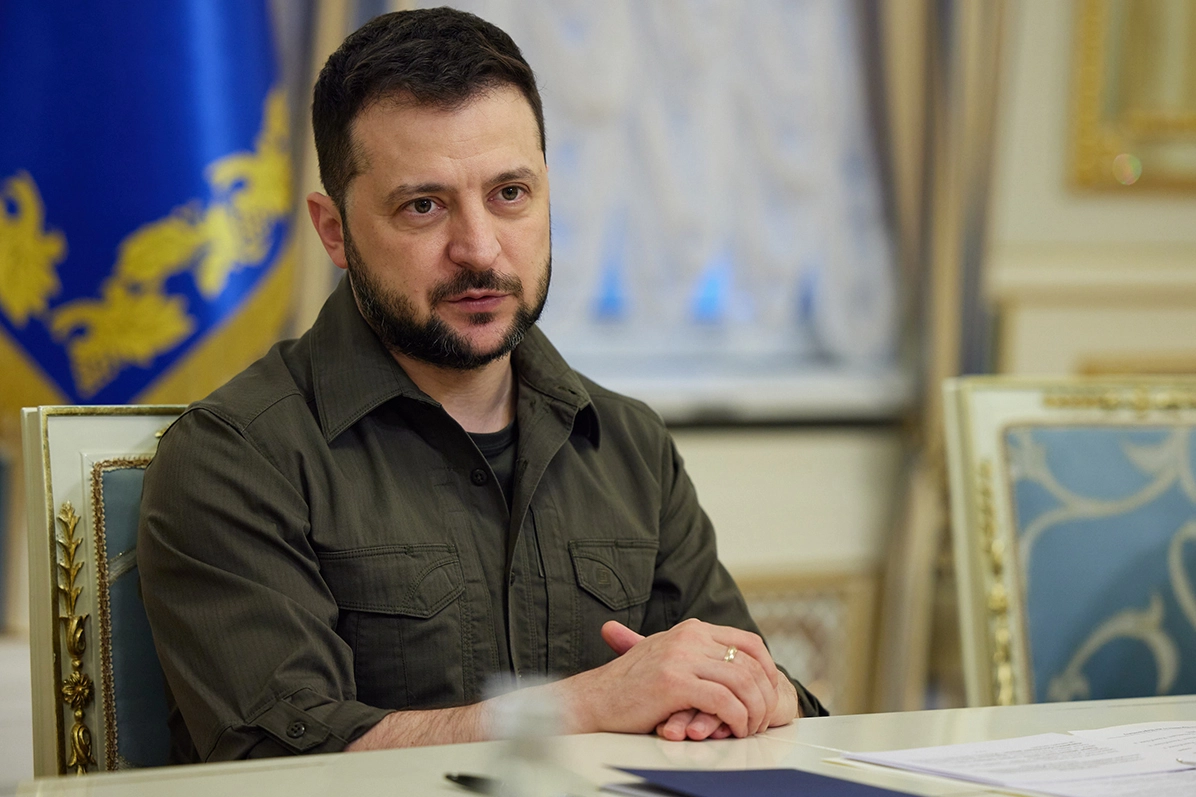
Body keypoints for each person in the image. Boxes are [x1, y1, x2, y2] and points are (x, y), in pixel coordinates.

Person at [138, 6, 826, 763]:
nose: (479, 249)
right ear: (334, 230)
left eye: (510, 194)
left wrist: (758, 696)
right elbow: (280, 761)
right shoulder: (236, 457)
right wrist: (589, 703)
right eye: (423, 206)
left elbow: (747, 680)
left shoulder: (629, 443)